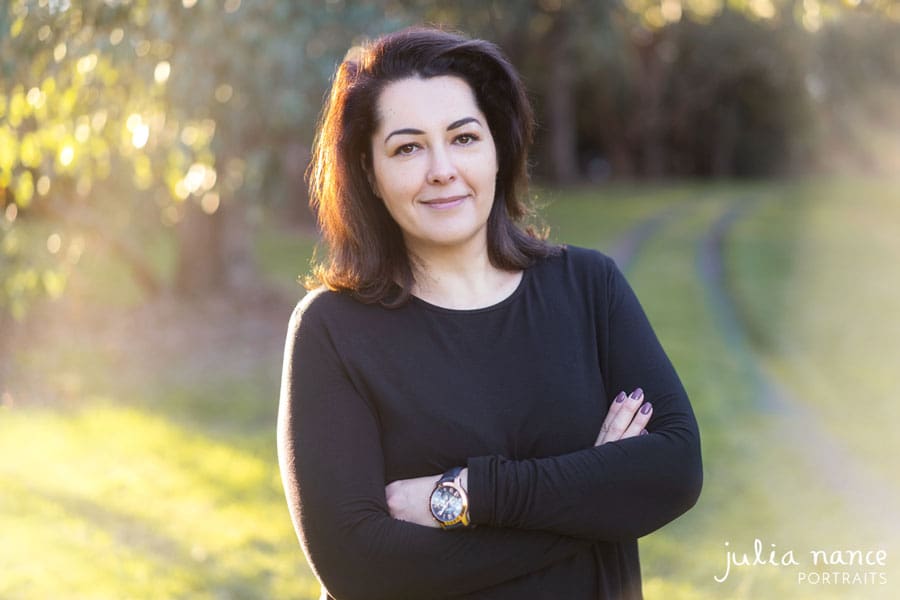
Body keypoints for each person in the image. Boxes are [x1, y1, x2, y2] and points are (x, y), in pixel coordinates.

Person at [277, 27, 702, 600]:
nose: (442, 169)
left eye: (464, 137)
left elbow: (675, 470)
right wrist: (595, 495)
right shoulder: (333, 330)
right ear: (370, 173)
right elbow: (360, 567)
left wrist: (466, 496)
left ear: (497, 148)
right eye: (407, 148)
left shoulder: (588, 287)